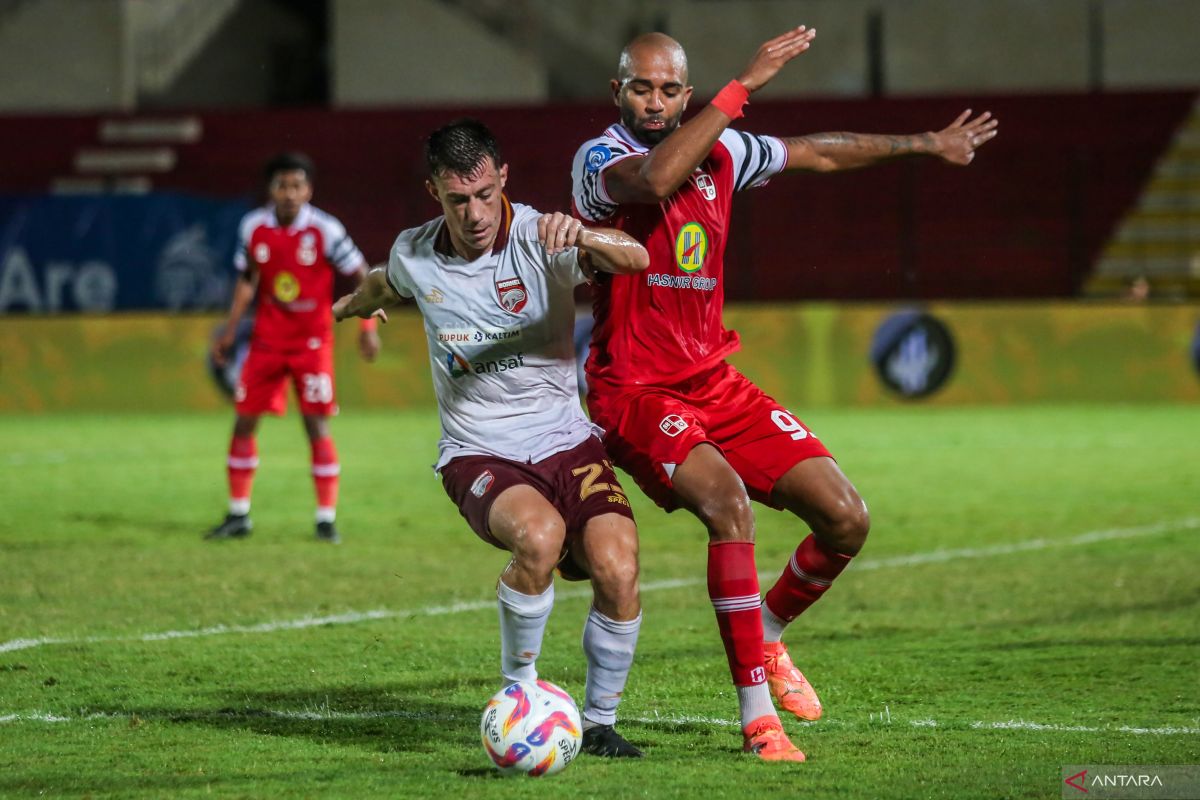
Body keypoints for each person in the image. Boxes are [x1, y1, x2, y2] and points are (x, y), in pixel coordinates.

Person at [570, 29, 998, 761]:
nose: (655, 100)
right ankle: (757, 717)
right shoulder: (600, 159)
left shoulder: (728, 153)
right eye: (641, 87)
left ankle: (767, 635)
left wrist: (925, 141)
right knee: (728, 504)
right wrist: (741, 89)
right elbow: (655, 182)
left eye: (670, 88)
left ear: (684, 92)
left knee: (845, 520)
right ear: (618, 93)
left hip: (715, 381)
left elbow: (821, 149)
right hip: (634, 389)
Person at [332, 119, 651, 758]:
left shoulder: (539, 235)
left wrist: (583, 232)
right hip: (478, 449)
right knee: (540, 538)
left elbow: (635, 257)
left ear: (502, 178)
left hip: (566, 438)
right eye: (458, 200)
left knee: (618, 567)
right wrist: (344, 310)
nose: (475, 213)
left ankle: (600, 722)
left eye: (484, 194)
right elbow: (377, 285)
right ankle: (519, 699)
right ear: (434, 193)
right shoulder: (414, 254)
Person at [208, 152, 381, 544]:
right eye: (282, 185)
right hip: (267, 343)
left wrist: (367, 326)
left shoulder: (325, 229)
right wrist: (230, 330)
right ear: (270, 190)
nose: (289, 194)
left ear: (309, 190)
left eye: (297, 186)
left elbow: (362, 273)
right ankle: (238, 515)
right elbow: (248, 280)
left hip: (312, 344)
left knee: (316, 425)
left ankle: (325, 519)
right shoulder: (253, 226)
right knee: (244, 420)